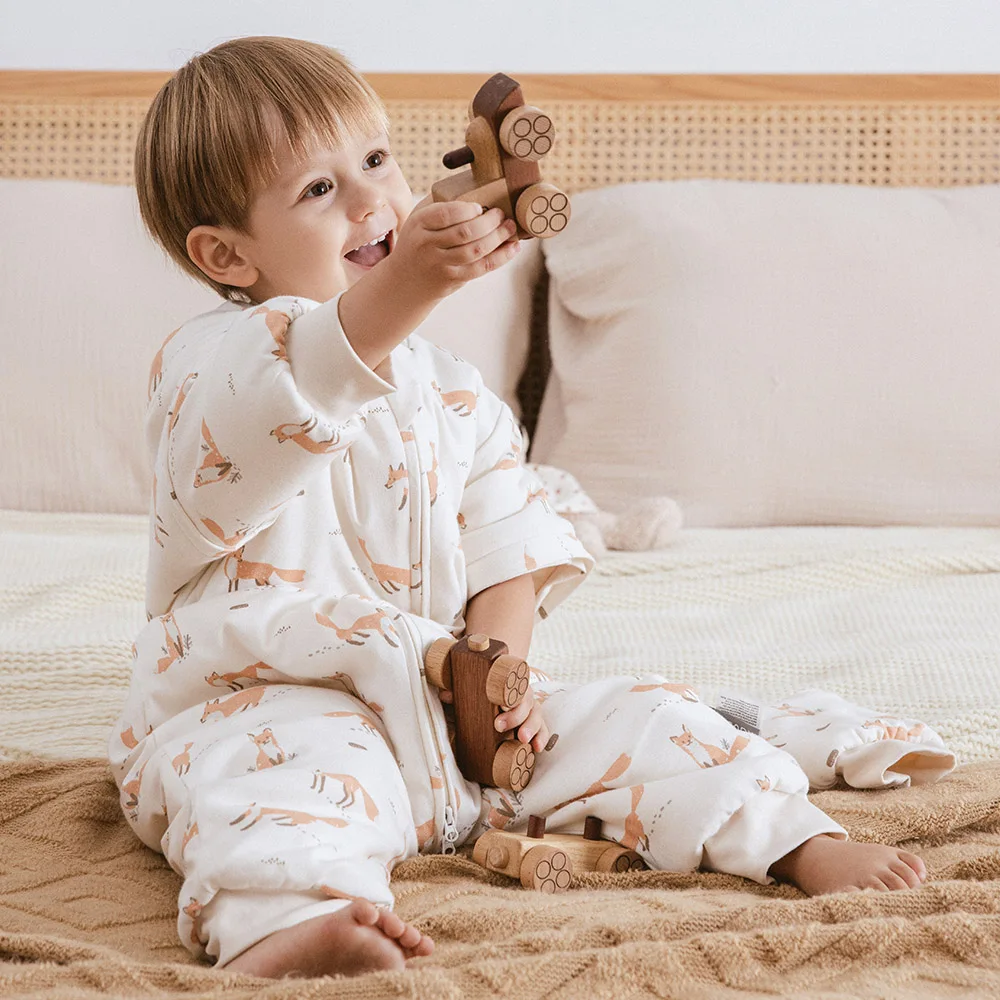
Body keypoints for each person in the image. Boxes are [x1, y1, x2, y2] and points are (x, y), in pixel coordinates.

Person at [110, 35, 929, 981]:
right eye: (318, 190)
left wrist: (499, 687)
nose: (372, 199)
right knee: (261, 792)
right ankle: (295, 920)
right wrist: (407, 281)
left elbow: (509, 551)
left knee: (648, 715)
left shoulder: (456, 392)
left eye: (375, 161)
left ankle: (791, 840)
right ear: (226, 252)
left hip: (458, 734)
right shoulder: (210, 364)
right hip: (271, 708)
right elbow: (290, 394)